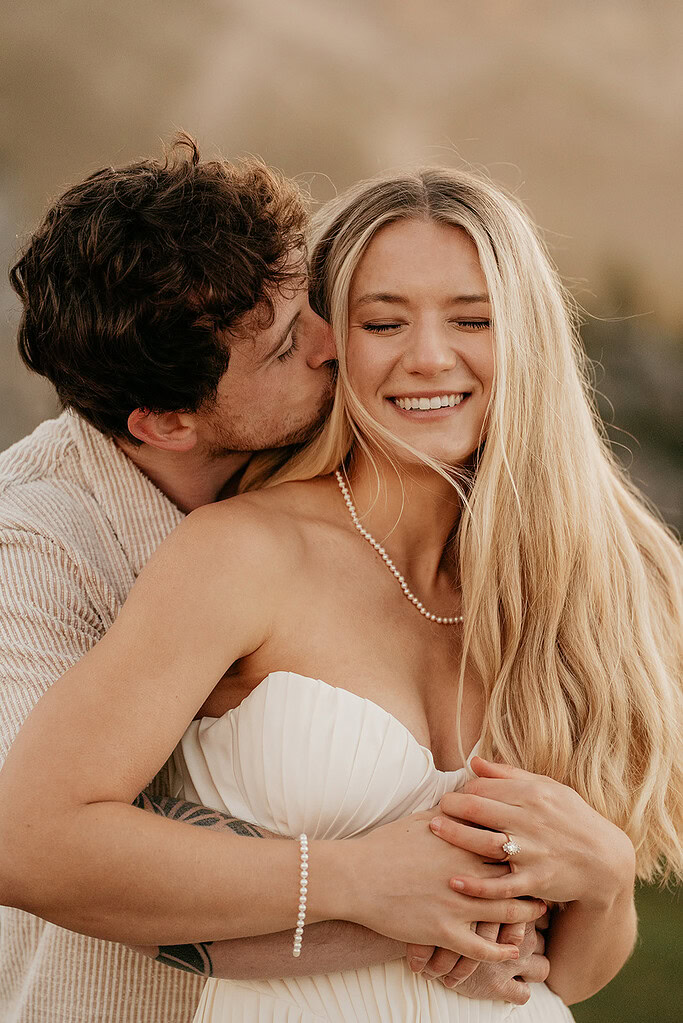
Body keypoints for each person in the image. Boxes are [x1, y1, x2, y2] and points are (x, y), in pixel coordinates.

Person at [4, 165, 679, 1019]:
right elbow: (35, 843)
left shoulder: (593, 578)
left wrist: (608, 876)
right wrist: (375, 894)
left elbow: (559, 973)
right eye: (381, 320)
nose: (428, 354)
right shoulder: (214, 551)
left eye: (472, 317)